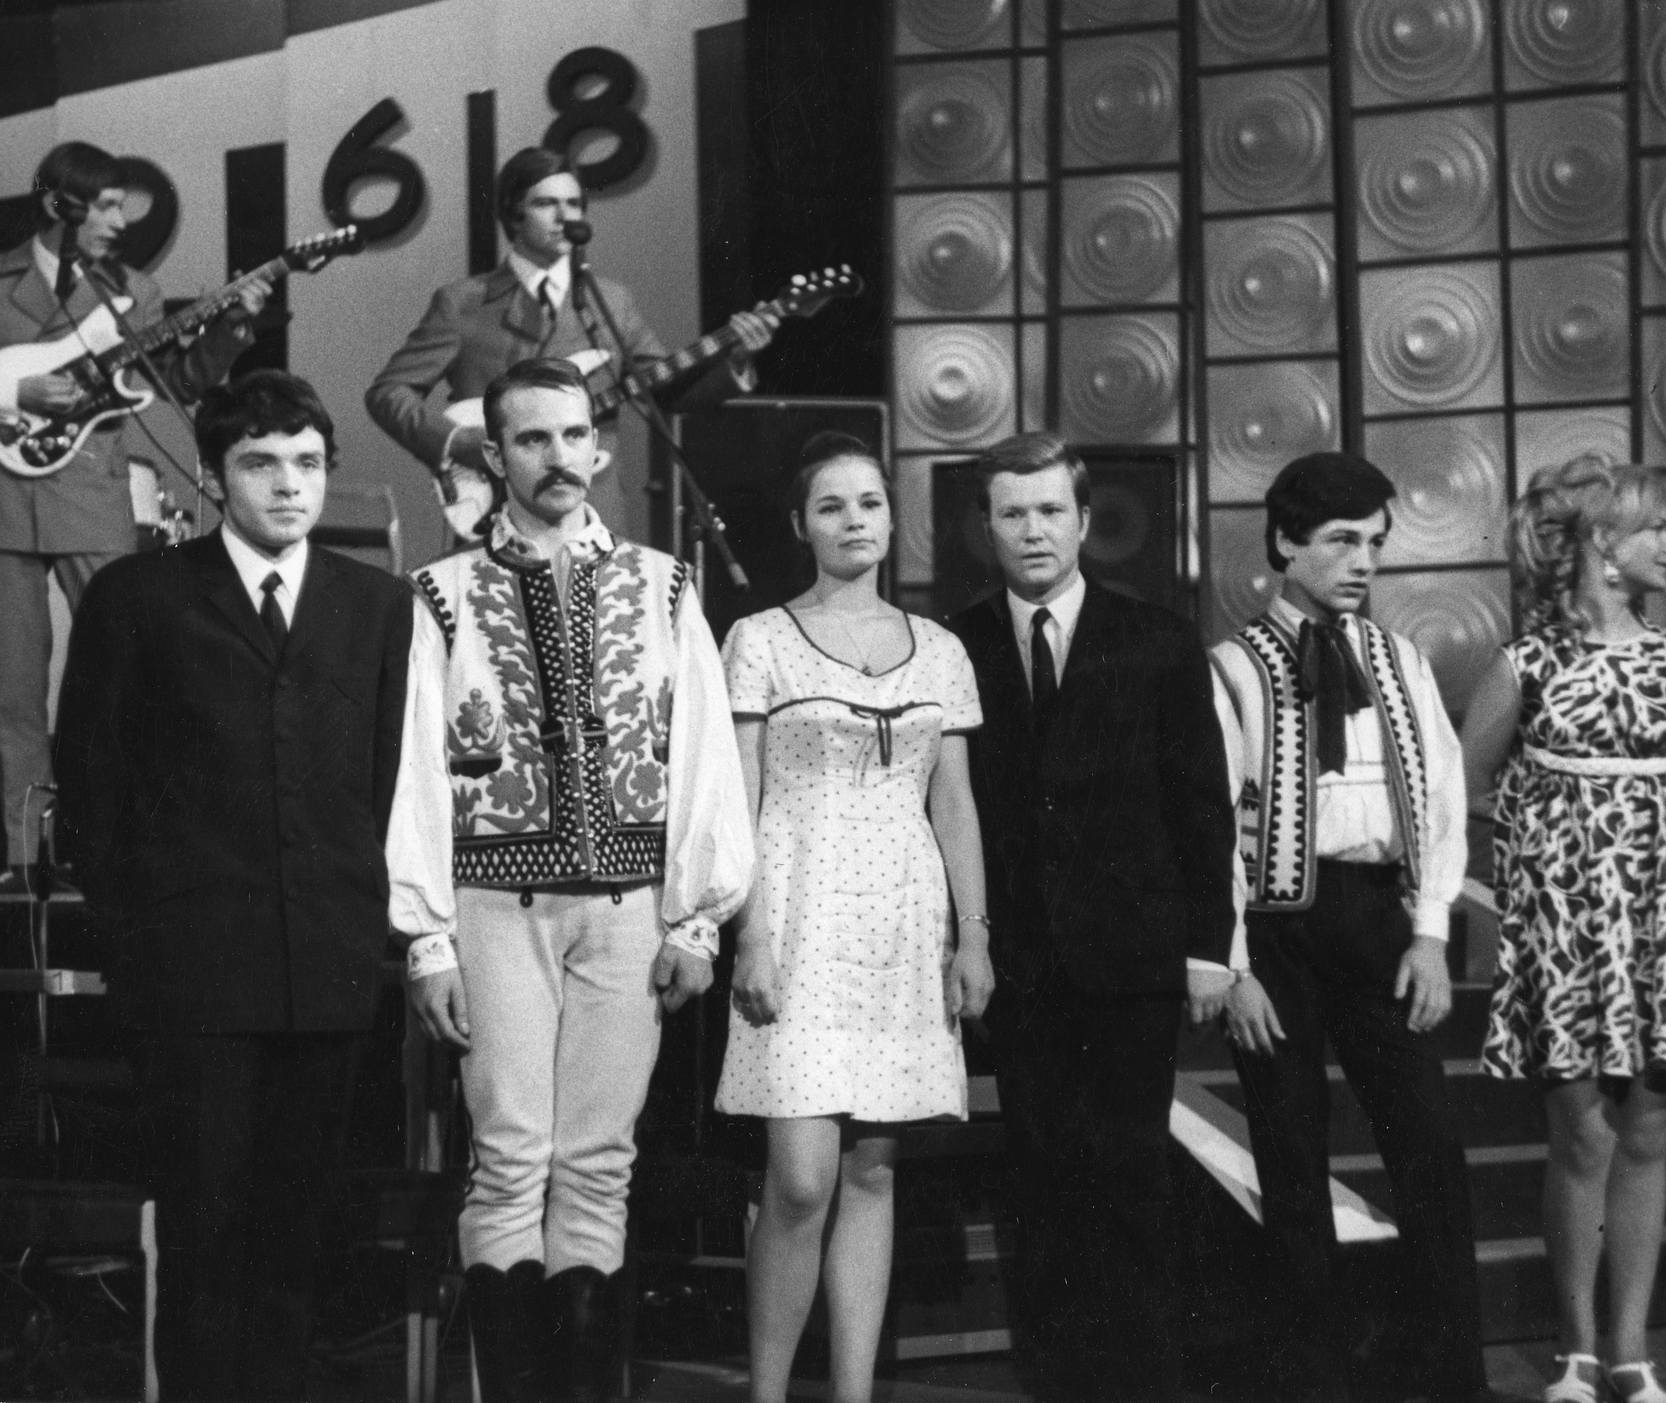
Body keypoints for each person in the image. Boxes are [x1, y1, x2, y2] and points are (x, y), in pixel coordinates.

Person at [52, 370, 452, 1401]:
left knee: (297, 1241)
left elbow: (387, 781)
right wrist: (140, 936)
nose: (288, 484)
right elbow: (91, 785)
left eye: (307, 463)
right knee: (202, 1237)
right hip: (189, 980)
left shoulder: (378, 605)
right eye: (261, 463)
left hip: (326, 973)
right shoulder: (137, 596)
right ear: (215, 474)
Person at [399, 357, 753, 1402]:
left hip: (630, 907)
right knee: (511, 1157)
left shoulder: (663, 582)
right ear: (496, 455)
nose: (558, 457)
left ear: (600, 446)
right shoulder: (443, 592)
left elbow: (702, 753)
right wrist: (427, 937)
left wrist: (697, 919)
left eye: (573, 436)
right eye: (532, 439)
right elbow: (418, 766)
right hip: (492, 908)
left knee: (599, 1161)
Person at [946, 431, 1236, 1402]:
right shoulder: (956, 644)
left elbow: (1202, 804)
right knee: (1041, 1185)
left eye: (1049, 511)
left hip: (1133, 960)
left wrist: (1209, 948)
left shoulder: (1158, 637)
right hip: (1019, 968)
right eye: (1012, 513)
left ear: (1081, 520)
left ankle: (1145, 1383)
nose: (1033, 530)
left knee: (1132, 1177)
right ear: (987, 527)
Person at [0, 140, 267, 887]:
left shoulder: (135, 290)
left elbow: (176, 384)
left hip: (94, 497)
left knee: (124, 674)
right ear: (58, 206)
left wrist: (230, 329)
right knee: (16, 692)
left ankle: (116, 842)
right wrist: (11, 392)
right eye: (104, 206)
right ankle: (25, 859)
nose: (119, 222)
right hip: (5, 499)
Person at [714, 432, 993, 1403]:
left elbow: (954, 803)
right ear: (801, 523)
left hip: (904, 924)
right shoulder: (759, 638)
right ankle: (765, 1392)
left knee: (874, 1170)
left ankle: (853, 1393)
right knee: (799, 1178)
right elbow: (738, 798)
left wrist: (974, 934)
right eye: (831, 505)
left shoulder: (943, 650)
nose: (854, 520)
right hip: (795, 915)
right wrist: (748, 932)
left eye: (869, 501)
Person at [1209, 451, 1487, 1402]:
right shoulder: (1232, 669)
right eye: (1340, 540)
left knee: (1430, 1147)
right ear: (1286, 543)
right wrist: (1234, 966)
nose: (1363, 561)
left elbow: (1441, 803)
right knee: (1292, 1154)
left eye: (1374, 542)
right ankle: (1312, 1378)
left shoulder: (1402, 661)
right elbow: (1212, 830)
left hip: (1379, 920)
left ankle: (1448, 1375)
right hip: (1276, 930)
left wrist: (1430, 935)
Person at [1461, 454, 1666, 1403]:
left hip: (1660, 919)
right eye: (1655, 527)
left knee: (1648, 1133)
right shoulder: (1526, 663)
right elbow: (1467, 783)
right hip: (1565, 929)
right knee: (1581, 1138)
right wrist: (1549, 856)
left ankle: (1631, 1353)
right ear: (1604, 547)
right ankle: (1576, 1349)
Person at [364, 144, 774, 542]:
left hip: (593, 506)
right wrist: (456, 442)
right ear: (513, 214)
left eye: (574, 204)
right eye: (546, 204)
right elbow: (388, 392)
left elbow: (665, 392)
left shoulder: (611, 301)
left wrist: (735, 360)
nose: (564, 217)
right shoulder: (463, 302)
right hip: (495, 505)